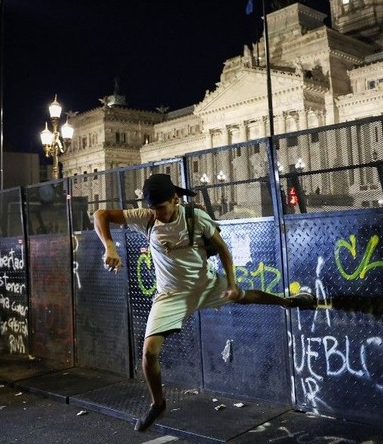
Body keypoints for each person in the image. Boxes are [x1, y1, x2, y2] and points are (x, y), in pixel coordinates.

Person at [93, 173, 316, 432]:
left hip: (204, 285)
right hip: (170, 295)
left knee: (243, 296)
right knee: (149, 353)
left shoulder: (195, 217)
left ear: (175, 200)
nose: (157, 213)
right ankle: (158, 404)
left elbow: (222, 249)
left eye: (161, 208)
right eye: (153, 208)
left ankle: (288, 302)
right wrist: (109, 246)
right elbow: (101, 214)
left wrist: (231, 284)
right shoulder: (147, 218)